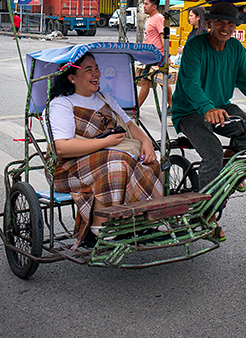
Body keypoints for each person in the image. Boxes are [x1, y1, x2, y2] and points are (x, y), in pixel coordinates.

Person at [172, 1, 246, 193]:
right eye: (220, 22)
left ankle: (224, 169)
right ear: (210, 23)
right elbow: (190, 84)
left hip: (221, 107)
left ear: (235, 27)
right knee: (212, 153)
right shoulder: (195, 46)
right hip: (190, 111)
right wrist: (207, 108)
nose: (225, 27)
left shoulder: (236, 48)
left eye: (230, 24)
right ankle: (207, 212)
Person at [48, 53, 162, 246]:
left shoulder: (104, 98)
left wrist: (146, 143)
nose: (96, 74)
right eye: (88, 70)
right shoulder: (62, 104)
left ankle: (141, 221)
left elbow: (130, 126)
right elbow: (62, 147)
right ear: (72, 77)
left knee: (150, 161)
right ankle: (100, 227)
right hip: (69, 167)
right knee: (117, 162)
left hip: (110, 156)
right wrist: (105, 142)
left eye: (96, 68)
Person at [136, 0, 168, 108]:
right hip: (149, 56)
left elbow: (163, 36)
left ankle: (136, 107)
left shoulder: (159, 18)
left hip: (156, 55)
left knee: (147, 81)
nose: (144, 6)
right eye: (144, 4)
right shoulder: (150, 19)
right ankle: (173, 106)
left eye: (146, 4)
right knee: (160, 82)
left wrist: (166, 55)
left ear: (154, 7)